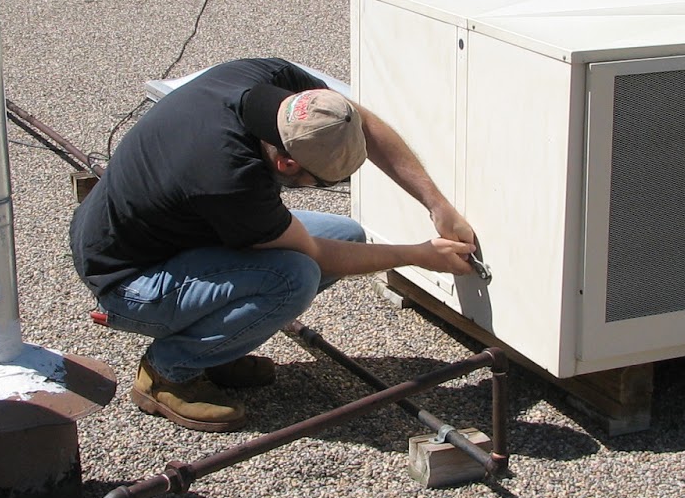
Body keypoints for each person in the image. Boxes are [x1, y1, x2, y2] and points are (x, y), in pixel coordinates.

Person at [70, 57, 476, 432]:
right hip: (129, 280)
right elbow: (315, 254)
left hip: (167, 235)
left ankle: (216, 349)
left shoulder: (273, 83)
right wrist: (420, 256)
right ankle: (167, 373)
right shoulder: (229, 178)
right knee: (293, 277)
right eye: (321, 181)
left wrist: (437, 204)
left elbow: (361, 121)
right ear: (287, 163)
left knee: (346, 233)